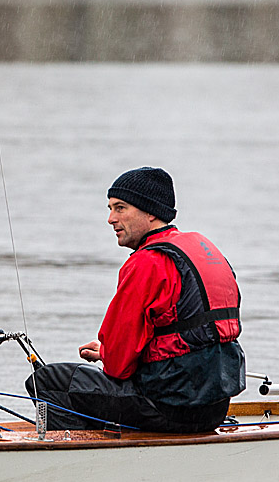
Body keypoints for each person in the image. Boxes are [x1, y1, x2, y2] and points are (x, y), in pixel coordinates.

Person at [26, 166, 245, 433]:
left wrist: (108, 354)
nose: (110, 219)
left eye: (120, 208)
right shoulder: (204, 249)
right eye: (110, 208)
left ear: (150, 211)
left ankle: (81, 462)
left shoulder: (146, 262)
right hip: (214, 407)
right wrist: (106, 352)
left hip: (168, 407)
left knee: (47, 381)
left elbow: (117, 367)